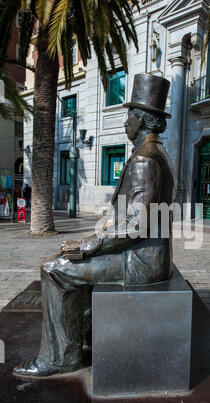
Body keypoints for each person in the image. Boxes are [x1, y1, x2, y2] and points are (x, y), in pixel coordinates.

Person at [14, 73, 176, 378]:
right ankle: (83, 334)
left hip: (140, 260)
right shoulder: (156, 154)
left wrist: (89, 245)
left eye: (129, 115)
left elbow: (137, 224)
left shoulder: (146, 160)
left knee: (54, 269)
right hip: (148, 253)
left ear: (140, 119)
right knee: (74, 264)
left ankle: (60, 358)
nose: (125, 122)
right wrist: (96, 238)